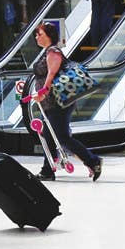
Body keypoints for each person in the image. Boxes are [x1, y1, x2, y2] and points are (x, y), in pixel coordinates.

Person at [17, 20, 102, 182]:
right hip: (51, 102)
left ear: (49, 36)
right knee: (48, 135)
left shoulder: (53, 51)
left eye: (39, 34)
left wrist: (42, 91)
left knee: (62, 136)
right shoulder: (47, 51)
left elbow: (51, 73)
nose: (37, 37)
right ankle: (48, 170)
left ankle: (93, 160)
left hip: (58, 102)